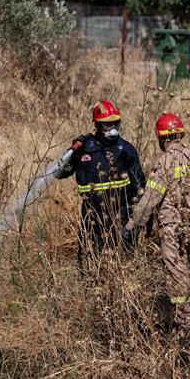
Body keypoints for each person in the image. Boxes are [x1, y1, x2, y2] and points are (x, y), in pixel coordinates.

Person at [124, 113, 190, 304]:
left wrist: (132, 225)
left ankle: (183, 319)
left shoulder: (164, 162)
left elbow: (150, 198)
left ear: (162, 137)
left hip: (171, 226)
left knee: (177, 274)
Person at [55, 99, 146, 261]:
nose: (113, 130)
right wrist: (70, 154)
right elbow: (59, 173)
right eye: (107, 125)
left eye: (115, 124)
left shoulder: (126, 150)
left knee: (123, 257)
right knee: (89, 256)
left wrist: (136, 218)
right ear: (97, 125)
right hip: (92, 214)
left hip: (121, 213)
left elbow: (139, 185)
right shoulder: (83, 149)